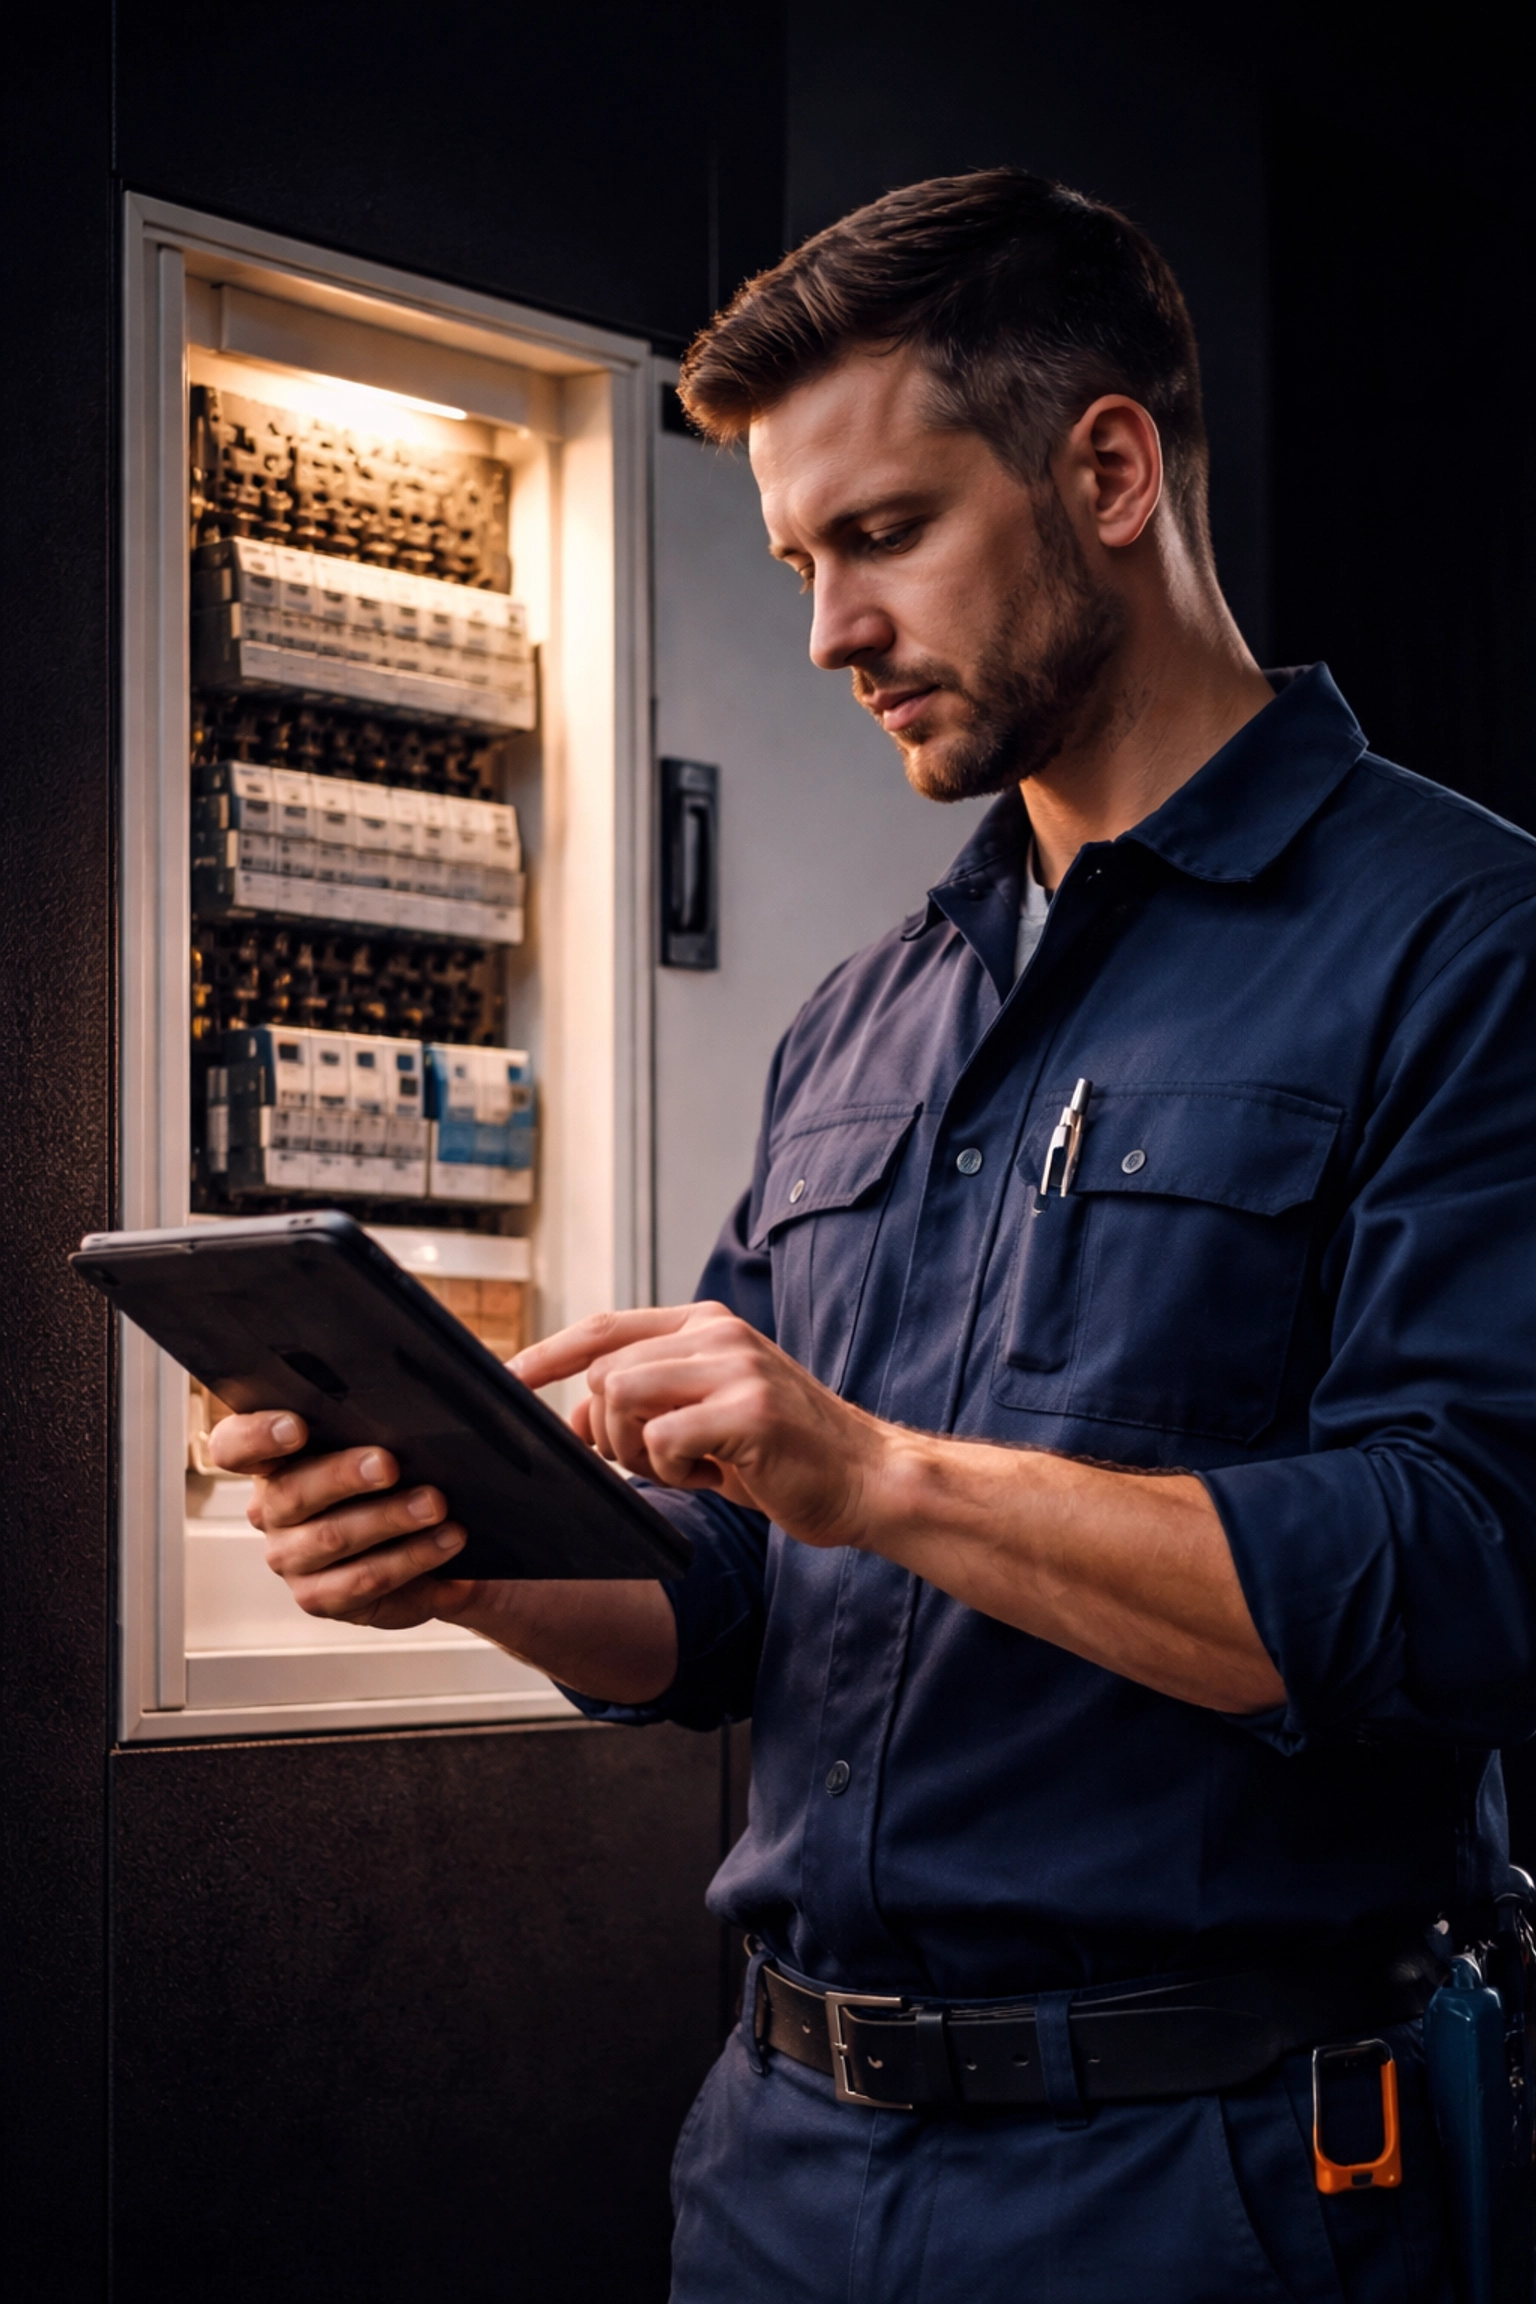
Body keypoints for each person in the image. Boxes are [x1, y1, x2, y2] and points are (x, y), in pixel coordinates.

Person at [213, 170, 1536, 2300]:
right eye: (799, 559)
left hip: (1210, 2189)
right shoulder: (867, 1017)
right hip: (778, 2168)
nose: (827, 629)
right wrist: (469, 1557)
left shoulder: (1464, 943)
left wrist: (880, 1473)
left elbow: (1465, 1576)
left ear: (1108, 468)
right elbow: (729, 1615)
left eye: (884, 534)